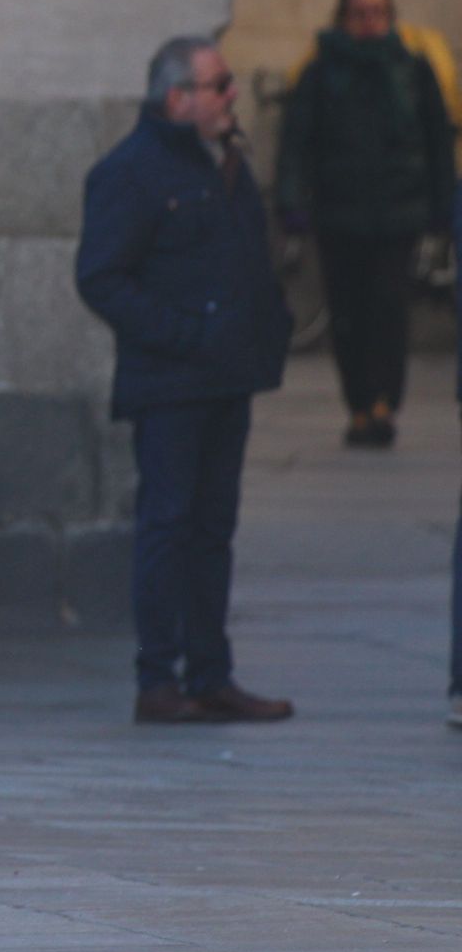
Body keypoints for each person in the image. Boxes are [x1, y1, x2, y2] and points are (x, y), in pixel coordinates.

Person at [76, 35, 295, 726]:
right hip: (171, 383)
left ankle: (211, 672)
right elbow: (101, 277)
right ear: (177, 99)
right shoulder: (132, 172)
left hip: (228, 377)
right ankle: (158, 677)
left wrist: (270, 327)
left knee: (213, 529)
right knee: (167, 524)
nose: (232, 95)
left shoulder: (226, 165)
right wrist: (182, 334)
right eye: (219, 85)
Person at [277, 0, 456, 448]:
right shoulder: (321, 73)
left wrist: (442, 208)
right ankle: (358, 402)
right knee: (349, 312)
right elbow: (296, 141)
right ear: (344, 17)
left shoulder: (413, 70)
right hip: (340, 214)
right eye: (360, 12)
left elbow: (439, 141)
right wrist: (292, 203)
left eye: (377, 11)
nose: (370, 20)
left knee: (390, 310)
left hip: (399, 212)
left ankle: (383, 402)